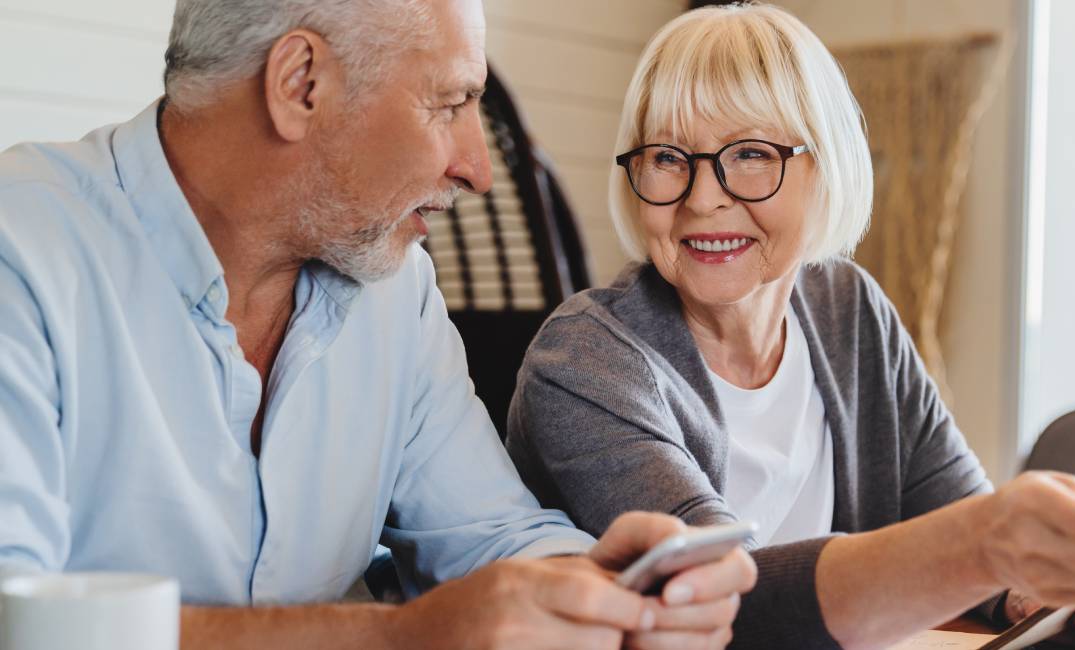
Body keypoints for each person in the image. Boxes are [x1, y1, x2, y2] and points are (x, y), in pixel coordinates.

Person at [0, 0, 755, 648]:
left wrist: (599, 593)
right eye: (451, 103)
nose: (478, 169)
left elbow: (490, 537)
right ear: (302, 83)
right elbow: (13, 621)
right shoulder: (21, 253)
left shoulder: (394, 290)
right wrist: (401, 637)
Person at [505, 4, 1075, 649]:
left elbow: (952, 514)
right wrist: (984, 546)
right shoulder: (582, 362)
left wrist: (1030, 586)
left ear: (823, 167)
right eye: (668, 158)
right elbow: (720, 605)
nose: (702, 198)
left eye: (749, 155)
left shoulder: (849, 310)